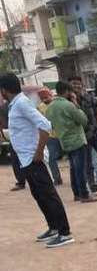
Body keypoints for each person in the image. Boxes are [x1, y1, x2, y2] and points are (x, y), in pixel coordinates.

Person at [0, 72, 74, 248]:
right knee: (39, 195)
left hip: (34, 159)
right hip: (26, 159)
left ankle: (64, 233)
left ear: (4, 90)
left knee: (48, 195)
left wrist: (39, 152)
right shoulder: (15, 104)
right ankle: (54, 228)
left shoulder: (22, 104)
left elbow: (45, 126)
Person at [45, 81, 97, 204]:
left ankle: (76, 193)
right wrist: (75, 102)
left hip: (63, 140)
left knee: (73, 168)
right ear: (66, 91)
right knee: (79, 168)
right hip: (76, 139)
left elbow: (50, 125)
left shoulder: (50, 107)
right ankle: (84, 194)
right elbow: (83, 120)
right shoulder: (68, 105)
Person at [36, 89, 63, 184]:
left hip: (62, 133)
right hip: (51, 136)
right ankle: (57, 178)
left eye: (46, 97)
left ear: (50, 96)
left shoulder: (56, 104)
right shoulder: (39, 108)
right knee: (52, 158)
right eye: (42, 98)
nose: (45, 99)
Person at [0, 96, 27, 190]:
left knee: (16, 159)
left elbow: (4, 123)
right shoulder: (23, 102)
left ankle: (21, 181)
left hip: (15, 136)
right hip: (20, 136)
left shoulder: (5, 106)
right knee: (19, 159)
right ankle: (23, 181)